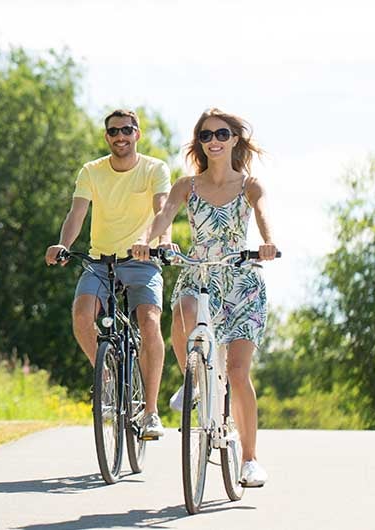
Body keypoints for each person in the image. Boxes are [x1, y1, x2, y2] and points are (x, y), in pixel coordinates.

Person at [132, 107, 278, 487]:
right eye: (206, 135)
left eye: (221, 134)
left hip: (242, 281)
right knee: (183, 309)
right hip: (199, 273)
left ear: (234, 140)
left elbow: (262, 215)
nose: (213, 141)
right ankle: (193, 380)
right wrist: (145, 241)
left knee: (237, 372)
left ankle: (250, 459)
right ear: (200, 142)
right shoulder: (187, 186)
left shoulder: (250, 185)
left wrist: (267, 243)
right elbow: (162, 217)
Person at [45, 109, 172, 439]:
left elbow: (162, 209)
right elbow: (77, 213)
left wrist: (162, 242)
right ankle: (106, 377)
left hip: (142, 260)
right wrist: (62, 244)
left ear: (137, 134)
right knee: (82, 315)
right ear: (107, 136)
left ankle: (151, 412)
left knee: (149, 322)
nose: (120, 136)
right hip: (100, 260)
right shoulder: (92, 171)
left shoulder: (154, 169)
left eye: (127, 130)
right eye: (114, 131)